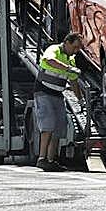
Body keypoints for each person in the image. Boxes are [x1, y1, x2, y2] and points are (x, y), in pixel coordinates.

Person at [34, 32, 85, 172]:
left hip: (57, 95)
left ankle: (51, 160)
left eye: (78, 49)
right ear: (67, 42)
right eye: (74, 47)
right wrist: (68, 68)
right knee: (48, 125)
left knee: (58, 128)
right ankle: (42, 158)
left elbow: (73, 81)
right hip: (44, 92)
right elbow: (50, 60)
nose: (75, 51)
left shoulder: (71, 59)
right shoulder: (54, 49)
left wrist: (80, 100)